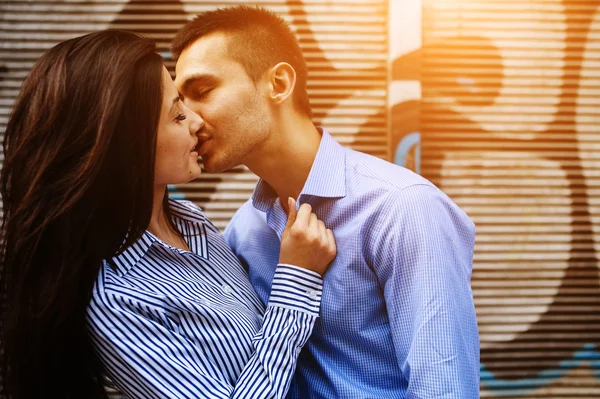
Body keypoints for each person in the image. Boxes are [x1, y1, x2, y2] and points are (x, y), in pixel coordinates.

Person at [0, 30, 336, 399]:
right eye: (177, 115)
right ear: (128, 143)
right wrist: (295, 281)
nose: (197, 122)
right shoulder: (117, 297)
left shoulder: (194, 223)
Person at [172, 5, 480, 398]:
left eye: (202, 92)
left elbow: (444, 388)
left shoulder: (402, 209)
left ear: (279, 83)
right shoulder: (243, 232)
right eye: (180, 104)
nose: (189, 120)